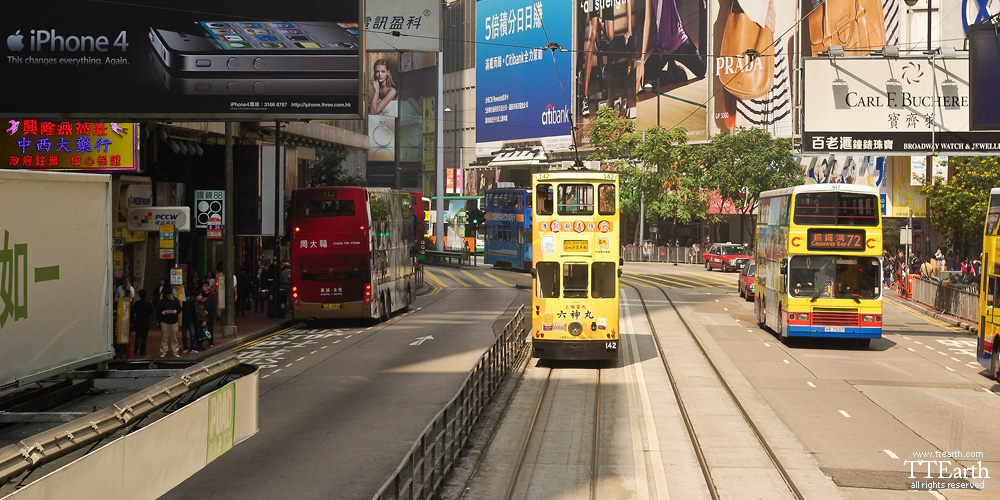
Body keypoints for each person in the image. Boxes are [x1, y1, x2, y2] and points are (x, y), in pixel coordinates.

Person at [157, 287, 181, 358]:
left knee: (174, 337)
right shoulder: (162, 301)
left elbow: (180, 309)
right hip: (165, 322)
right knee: (164, 337)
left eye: (169, 294)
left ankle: (175, 351)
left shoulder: (176, 300)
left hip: (174, 322)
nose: (168, 296)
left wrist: (176, 311)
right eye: (167, 295)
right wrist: (162, 312)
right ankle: (163, 351)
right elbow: (158, 311)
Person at [131, 289, 154, 356]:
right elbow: (151, 312)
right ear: (146, 295)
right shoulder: (148, 303)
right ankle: (142, 351)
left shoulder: (137, 303)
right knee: (144, 337)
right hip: (145, 322)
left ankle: (136, 348)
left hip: (138, 322)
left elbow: (134, 311)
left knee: (137, 335)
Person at [200, 281, 217, 348]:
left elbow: (213, 305)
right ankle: (200, 342)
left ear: (208, 287)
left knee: (210, 329)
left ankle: (210, 342)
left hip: (209, 314)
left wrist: (207, 311)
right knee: (201, 329)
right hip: (202, 315)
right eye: (203, 286)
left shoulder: (212, 295)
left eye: (205, 286)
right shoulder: (200, 295)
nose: (204, 287)